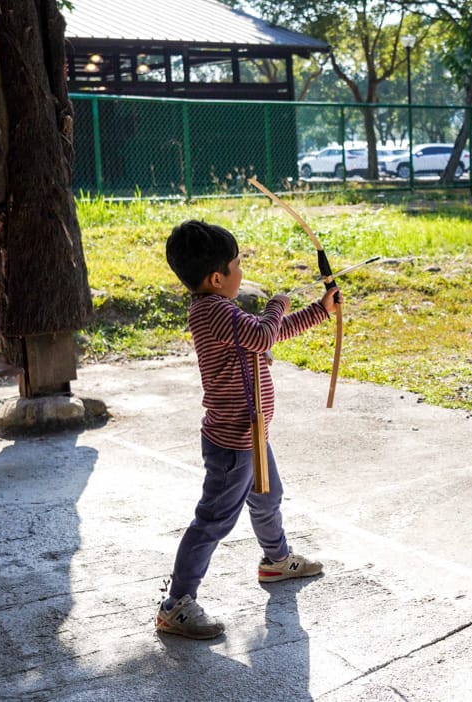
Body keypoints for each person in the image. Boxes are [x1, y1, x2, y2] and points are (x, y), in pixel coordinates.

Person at [157, 219, 339, 639]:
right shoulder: (212, 312)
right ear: (217, 278)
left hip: (251, 435)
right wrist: (278, 304)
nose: (243, 271)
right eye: (238, 264)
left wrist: (319, 311)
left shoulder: (222, 311)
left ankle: (276, 561)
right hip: (233, 443)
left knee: (267, 496)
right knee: (213, 521)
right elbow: (262, 333)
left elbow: (265, 338)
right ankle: (176, 603)